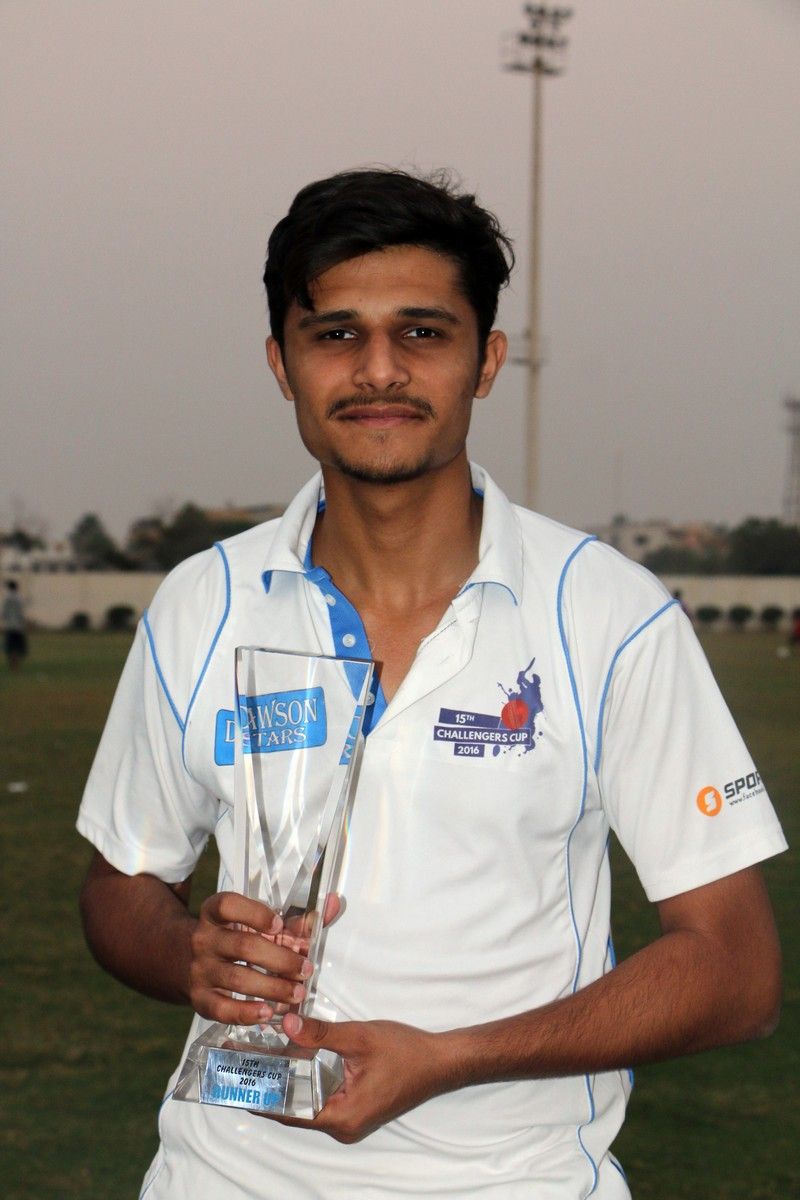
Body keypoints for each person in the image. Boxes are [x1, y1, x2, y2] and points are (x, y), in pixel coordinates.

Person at [77, 169, 787, 1199]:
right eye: (335, 334)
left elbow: (735, 970)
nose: (378, 370)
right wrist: (188, 951)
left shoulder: (608, 615)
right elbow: (120, 886)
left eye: (421, 332)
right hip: (220, 1176)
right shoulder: (202, 603)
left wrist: (450, 1058)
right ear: (281, 364)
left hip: (514, 1181)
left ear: (484, 359)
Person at [2, 579, 28, 670]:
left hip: (9, 626)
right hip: (19, 627)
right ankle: (17, 666)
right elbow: (21, 613)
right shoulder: (19, 598)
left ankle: (13, 666)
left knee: (10, 648)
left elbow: (4, 613)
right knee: (18, 648)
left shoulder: (6, 599)